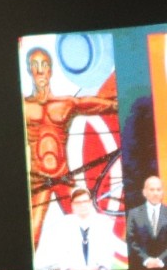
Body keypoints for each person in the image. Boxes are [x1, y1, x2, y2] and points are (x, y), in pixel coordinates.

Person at [23, 45, 117, 245]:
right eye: (35, 65)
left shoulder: (65, 104)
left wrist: (119, 103)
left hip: (63, 177)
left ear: (50, 70)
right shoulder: (24, 106)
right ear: (29, 70)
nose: (40, 70)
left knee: (89, 222)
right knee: (33, 230)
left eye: (44, 64)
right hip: (39, 179)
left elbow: (95, 104)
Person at [33, 186, 126, 270]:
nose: (82, 205)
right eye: (78, 203)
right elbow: (44, 258)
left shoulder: (103, 222)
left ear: (90, 203)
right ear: (72, 205)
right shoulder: (63, 223)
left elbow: (114, 245)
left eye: (85, 201)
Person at [128, 176, 167, 269]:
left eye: (158, 190)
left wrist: (160, 260)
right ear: (144, 192)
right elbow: (131, 240)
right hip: (140, 269)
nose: (155, 193)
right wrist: (146, 260)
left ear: (163, 192)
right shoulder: (134, 213)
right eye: (152, 190)